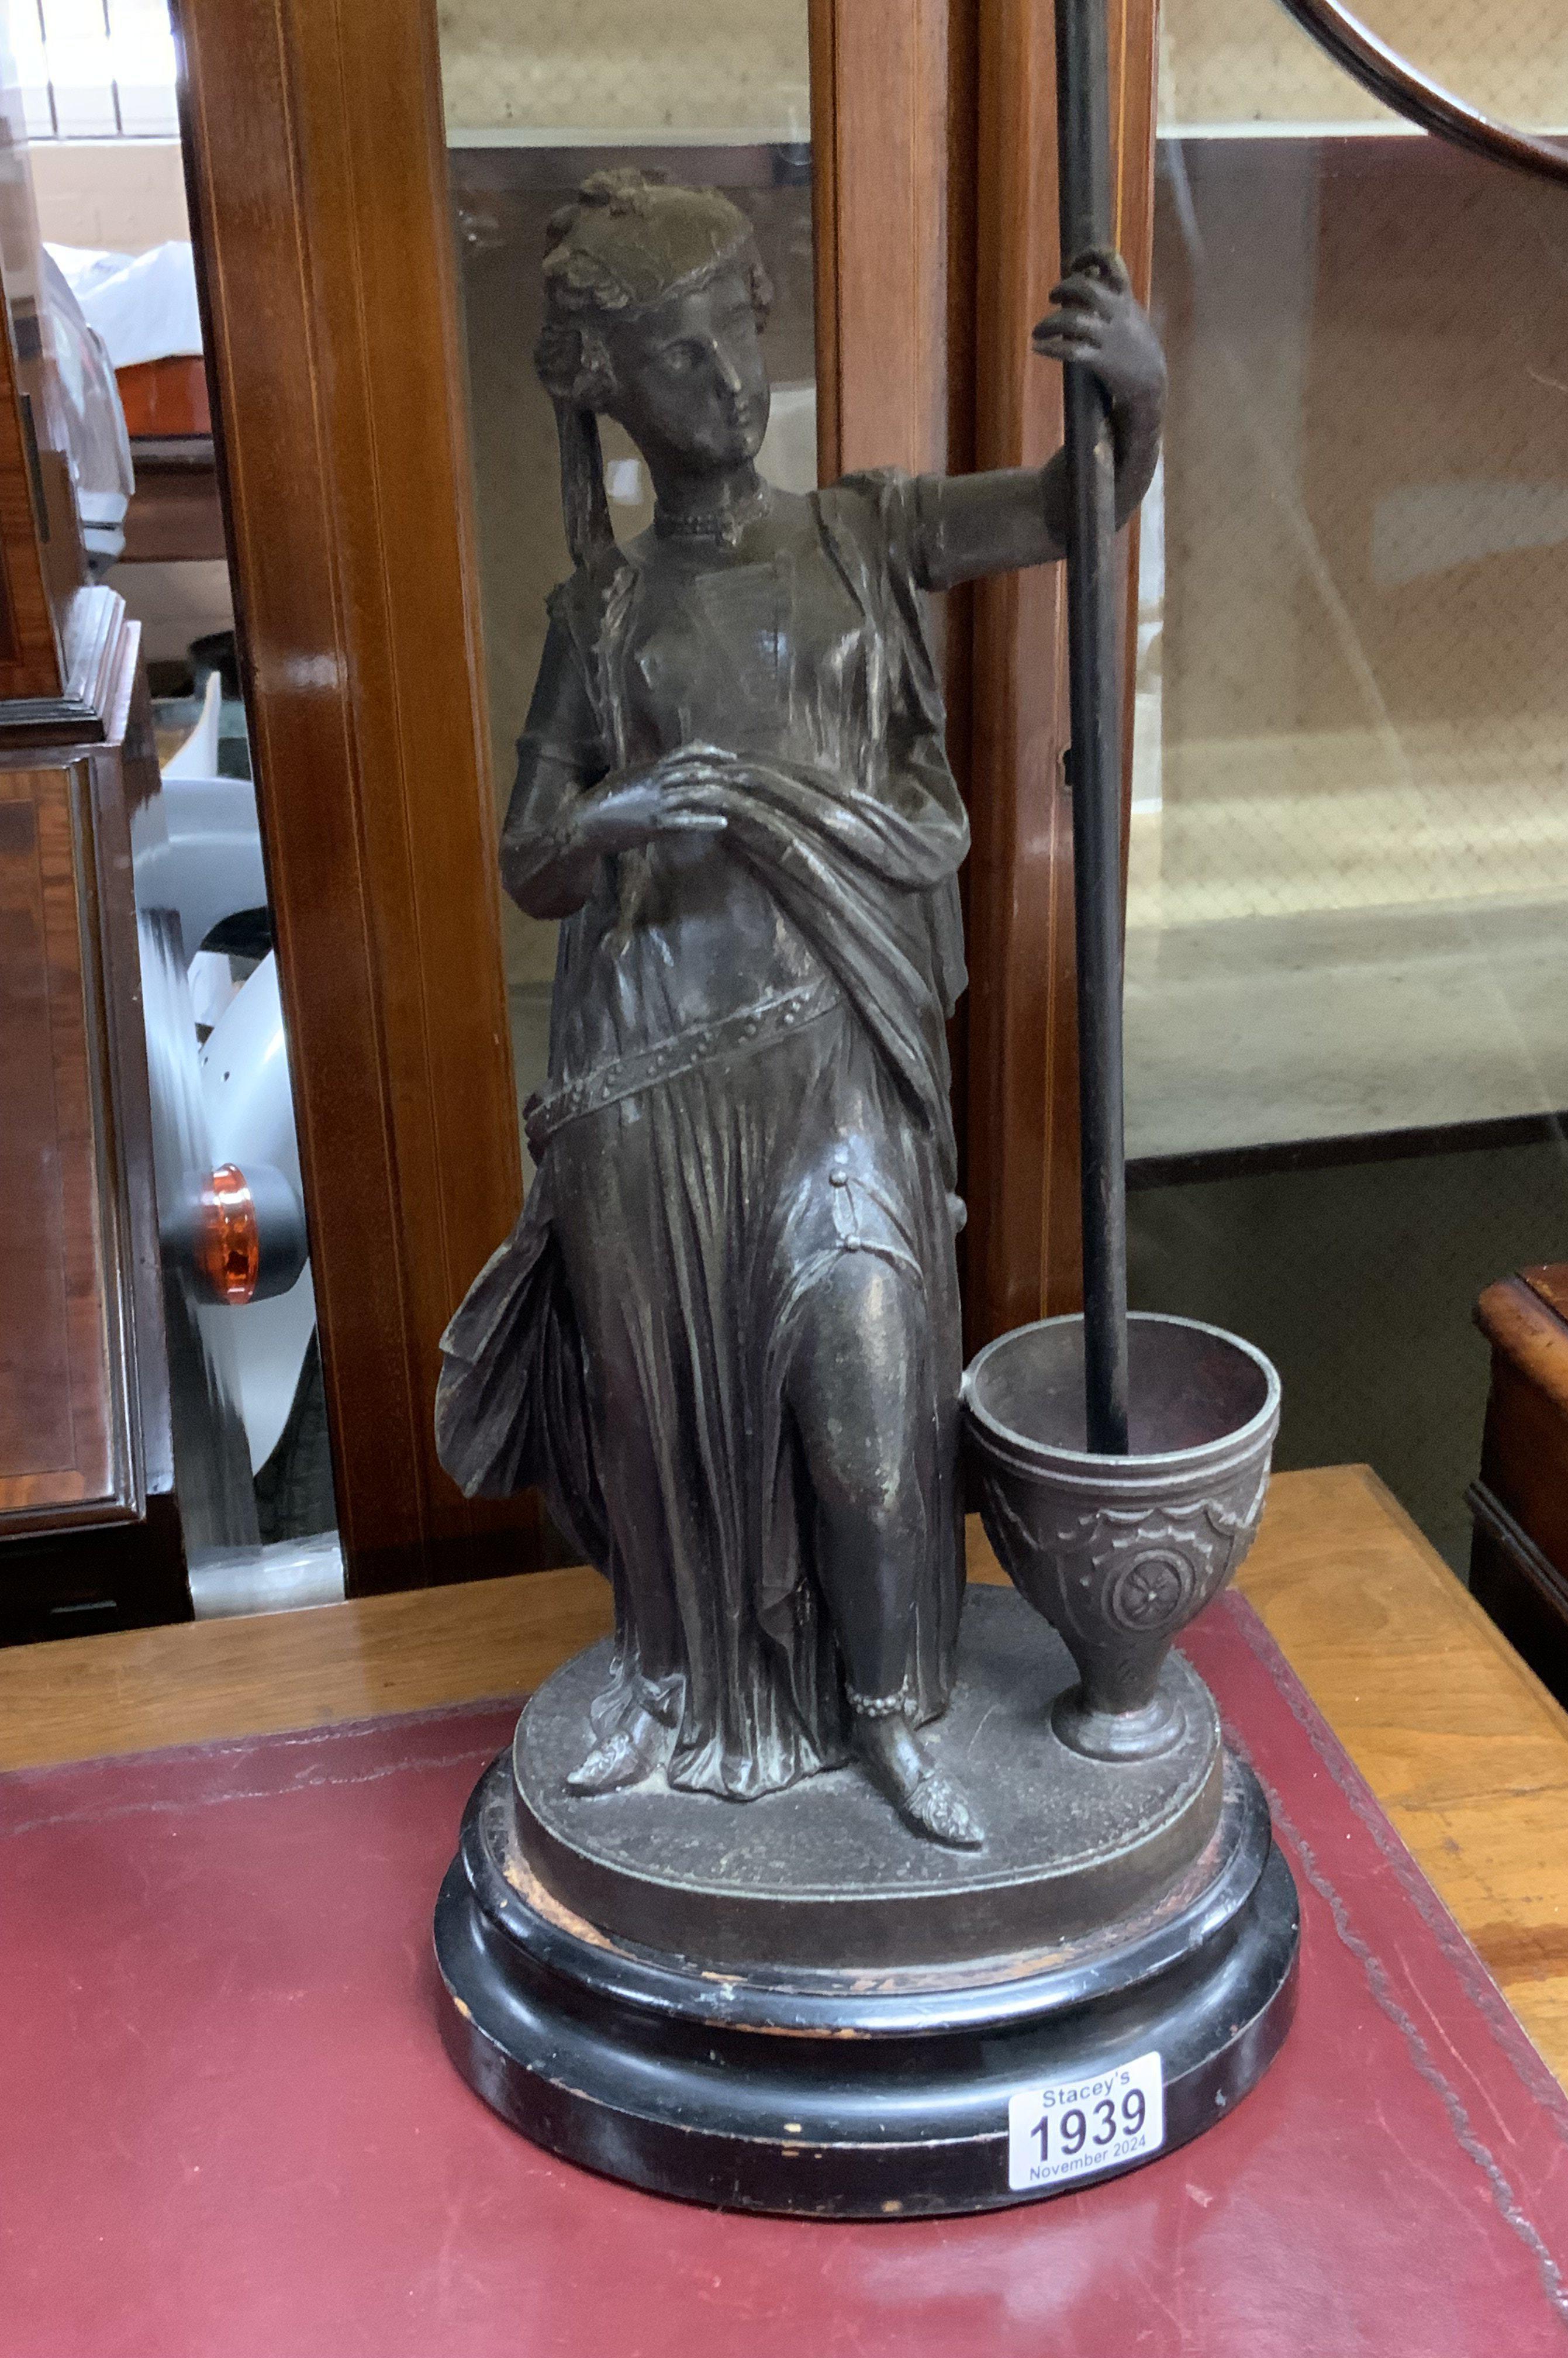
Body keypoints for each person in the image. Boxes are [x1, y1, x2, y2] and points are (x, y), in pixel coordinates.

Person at [437, 170, 1163, 1846]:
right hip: (653, 1084)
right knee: (663, 1430)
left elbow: (1071, 504)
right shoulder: (599, 614)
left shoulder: (867, 533)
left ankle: (894, 1710)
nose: (725, 382)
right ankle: (679, 1683)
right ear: (616, 391)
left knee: (868, 1409)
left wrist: (1138, 397)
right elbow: (531, 857)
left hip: (837, 1061)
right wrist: (625, 811)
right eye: (677, 359)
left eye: (735, 336)